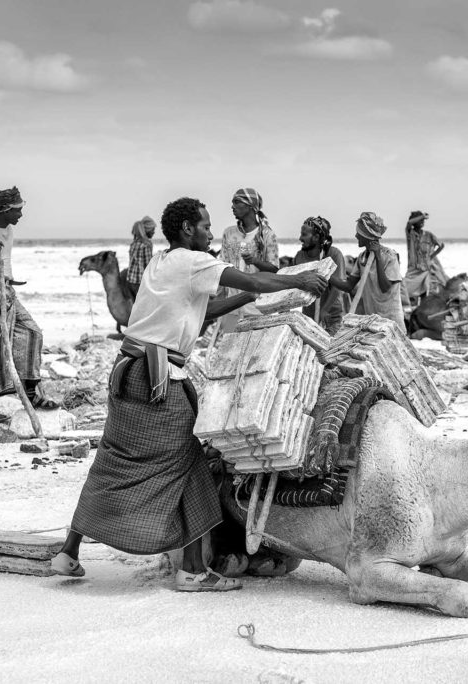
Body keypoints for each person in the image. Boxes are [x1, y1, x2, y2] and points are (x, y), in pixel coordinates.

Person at [51, 197, 326, 591]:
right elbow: (253, 279)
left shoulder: (161, 263)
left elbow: (204, 312)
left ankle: (68, 553)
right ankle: (193, 571)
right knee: (193, 465)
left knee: (112, 460)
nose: (211, 233)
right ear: (186, 229)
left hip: (126, 373)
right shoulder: (194, 262)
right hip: (157, 380)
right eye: (205, 226)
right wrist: (297, 280)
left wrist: (247, 299)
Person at [0, 186, 60, 423]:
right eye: (18, 210)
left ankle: (30, 393)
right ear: (6, 210)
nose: (21, 215)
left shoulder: (8, 230)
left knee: (32, 332)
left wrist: (9, 278)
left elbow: (4, 262)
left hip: (6, 288)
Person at [330, 211, 406, 333]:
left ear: (366, 236)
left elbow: (385, 287)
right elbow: (349, 285)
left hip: (391, 320)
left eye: (358, 233)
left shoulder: (389, 256)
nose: (356, 236)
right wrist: (328, 277)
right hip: (373, 320)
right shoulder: (362, 258)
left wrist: (377, 257)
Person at [217, 187, 280, 331]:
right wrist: (218, 298)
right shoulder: (229, 233)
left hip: (256, 307)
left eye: (237, 202)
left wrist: (255, 261)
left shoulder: (267, 234)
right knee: (229, 348)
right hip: (231, 305)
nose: (232, 206)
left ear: (250, 206)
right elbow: (222, 266)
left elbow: (274, 269)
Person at [292, 216, 347, 334]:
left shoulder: (333, 254)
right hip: (308, 318)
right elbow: (293, 283)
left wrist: (324, 310)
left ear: (316, 237)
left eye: (304, 234)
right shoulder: (299, 256)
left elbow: (338, 287)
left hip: (331, 318)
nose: (300, 238)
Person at [403, 210, 447, 307]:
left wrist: (431, 257)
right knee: (406, 291)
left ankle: (421, 311)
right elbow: (409, 223)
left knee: (424, 292)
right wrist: (423, 216)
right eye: (420, 220)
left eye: (423, 220)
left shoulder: (428, 235)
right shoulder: (410, 234)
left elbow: (441, 245)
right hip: (413, 270)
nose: (423, 221)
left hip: (425, 269)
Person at [126, 215, 156, 298]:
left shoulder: (134, 243)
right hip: (139, 283)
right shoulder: (146, 245)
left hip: (130, 281)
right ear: (147, 230)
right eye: (153, 230)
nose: (154, 232)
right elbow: (148, 267)